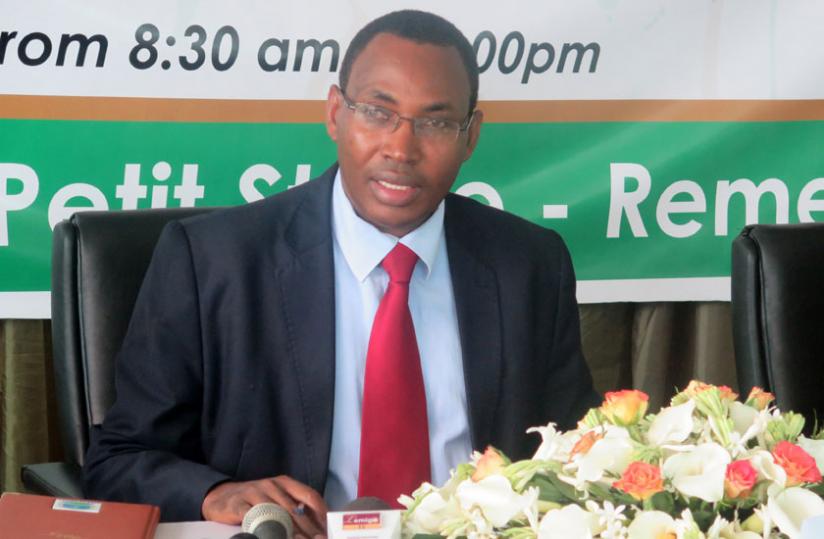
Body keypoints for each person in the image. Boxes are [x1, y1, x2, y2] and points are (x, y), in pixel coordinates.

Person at [83, 9, 600, 538]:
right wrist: (215, 493)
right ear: (336, 114)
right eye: (378, 112)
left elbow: (578, 459)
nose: (401, 149)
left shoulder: (529, 265)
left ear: (471, 137)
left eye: (437, 122)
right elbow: (119, 461)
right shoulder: (212, 261)